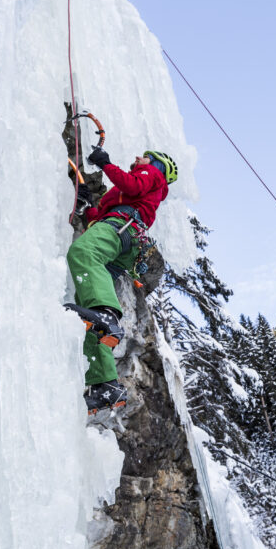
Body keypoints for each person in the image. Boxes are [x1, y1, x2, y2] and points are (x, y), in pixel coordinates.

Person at [67, 146, 177, 413]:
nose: (138, 158)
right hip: (123, 240)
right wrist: (87, 205)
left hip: (122, 227)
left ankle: (105, 313)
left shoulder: (152, 175)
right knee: (88, 306)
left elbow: (132, 185)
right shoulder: (129, 191)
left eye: (145, 156)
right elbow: (101, 218)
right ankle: (105, 385)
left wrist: (105, 164)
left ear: (157, 164)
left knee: (83, 252)